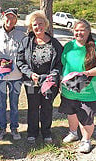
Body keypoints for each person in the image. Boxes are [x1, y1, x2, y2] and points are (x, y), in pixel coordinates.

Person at [59, 19, 96, 153]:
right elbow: (63, 64)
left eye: (82, 30)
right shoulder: (69, 46)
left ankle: (86, 140)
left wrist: (87, 73)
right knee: (71, 113)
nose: (79, 33)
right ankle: (73, 133)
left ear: (88, 31)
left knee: (86, 116)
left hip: (89, 91)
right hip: (69, 89)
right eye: (76, 30)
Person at [16, 10, 63, 144]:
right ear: (31, 27)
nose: (38, 27)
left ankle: (46, 132)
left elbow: (60, 63)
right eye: (35, 24)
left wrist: (53, 74)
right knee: (33, 106)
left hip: (48, 81)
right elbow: (19, 61)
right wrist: (30, 74)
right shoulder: (26, 42)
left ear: (46, 25)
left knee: (47, 106)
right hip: (32, 82)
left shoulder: (54, 43)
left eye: (41, 24)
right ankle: (32, 132)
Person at [0, 8, 25, 140]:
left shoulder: (22, 36)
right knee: (1, 104)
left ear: (16, 20)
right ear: (3, 18)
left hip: (16, 77)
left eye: (13, 18)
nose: (10, 20)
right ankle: (2, 129)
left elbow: (25, 55)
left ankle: (14, 129)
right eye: (7, 17)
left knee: (14, 104)